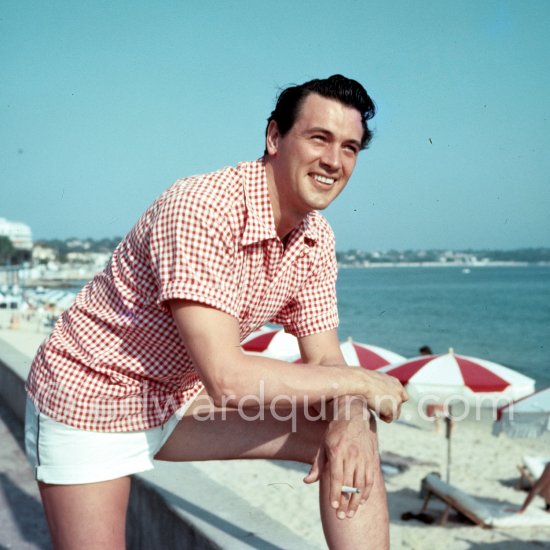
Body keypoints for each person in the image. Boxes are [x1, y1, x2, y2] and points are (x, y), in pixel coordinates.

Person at [24, 74, 408, 549]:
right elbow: (228, 379)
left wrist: (353, 417)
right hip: (91, 397)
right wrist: (365, 383)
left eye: (349, 148)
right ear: (274, 137)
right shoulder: (202, 208)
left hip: (177, 397)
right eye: (319, 138)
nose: (334, 160)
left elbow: (327, 360)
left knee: (353, 438)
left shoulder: (316, 238)